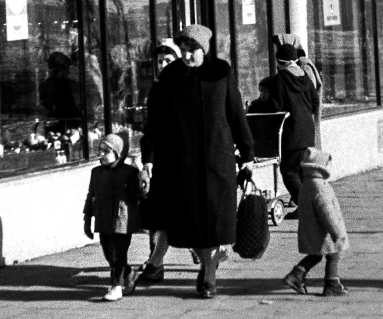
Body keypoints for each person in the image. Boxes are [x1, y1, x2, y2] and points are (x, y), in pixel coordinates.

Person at [141, 24, 255, 299]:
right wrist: (149, 158)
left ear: (204, 49)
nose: (188, 56)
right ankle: (207, 272)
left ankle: (209, 276)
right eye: (184, 50)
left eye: (193, 51)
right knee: (195, 223)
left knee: (214, 223)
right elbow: (155, 121)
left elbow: (236, 115)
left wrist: (248, 155)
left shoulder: (221, 74)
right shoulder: (170, 77)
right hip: (183, 164)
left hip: (218, 161)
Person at [249, 37, 321, 206]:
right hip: (307, 132)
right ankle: (308, 206)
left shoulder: (280, 80)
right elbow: (315, 103)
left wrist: (256, 108)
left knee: (288, 172)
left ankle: (306, 207)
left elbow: (276, 107)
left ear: (280, 62)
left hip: (290, 133)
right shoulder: (306, 78)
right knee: (302, 172)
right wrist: (303, 114)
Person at [136, 40, 181, 287]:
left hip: (184, 159)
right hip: (163, 159)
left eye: (168, 60)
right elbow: (151, 127)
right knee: (158, 211)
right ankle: (156, 264)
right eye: (160, 61)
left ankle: (202, 252)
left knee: (185, 209)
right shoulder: (157, 89)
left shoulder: (188, 86)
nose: (163, 65)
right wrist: (149, 160)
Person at [83, 130, 145, 302]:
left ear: (118, 153)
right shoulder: (96, 172)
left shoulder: (129, 172)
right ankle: (129, 273)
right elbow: (91, 196)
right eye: (100, 150)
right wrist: (87, 220)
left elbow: (138, 195)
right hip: (103, 219)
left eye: (106, 151)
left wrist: (142, 180)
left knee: (118, 252)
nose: (101, 154)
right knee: (108, 252)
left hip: (123, 219)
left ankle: (116, 287)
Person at [281, 148, 349, 297]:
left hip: (311, 228)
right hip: (323, 230)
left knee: (316, 255)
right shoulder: (320, 187)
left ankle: (297, 275)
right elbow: (327, 212)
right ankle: (331, 284)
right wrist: (336, 232)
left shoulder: (308, 183)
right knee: (333, 253)